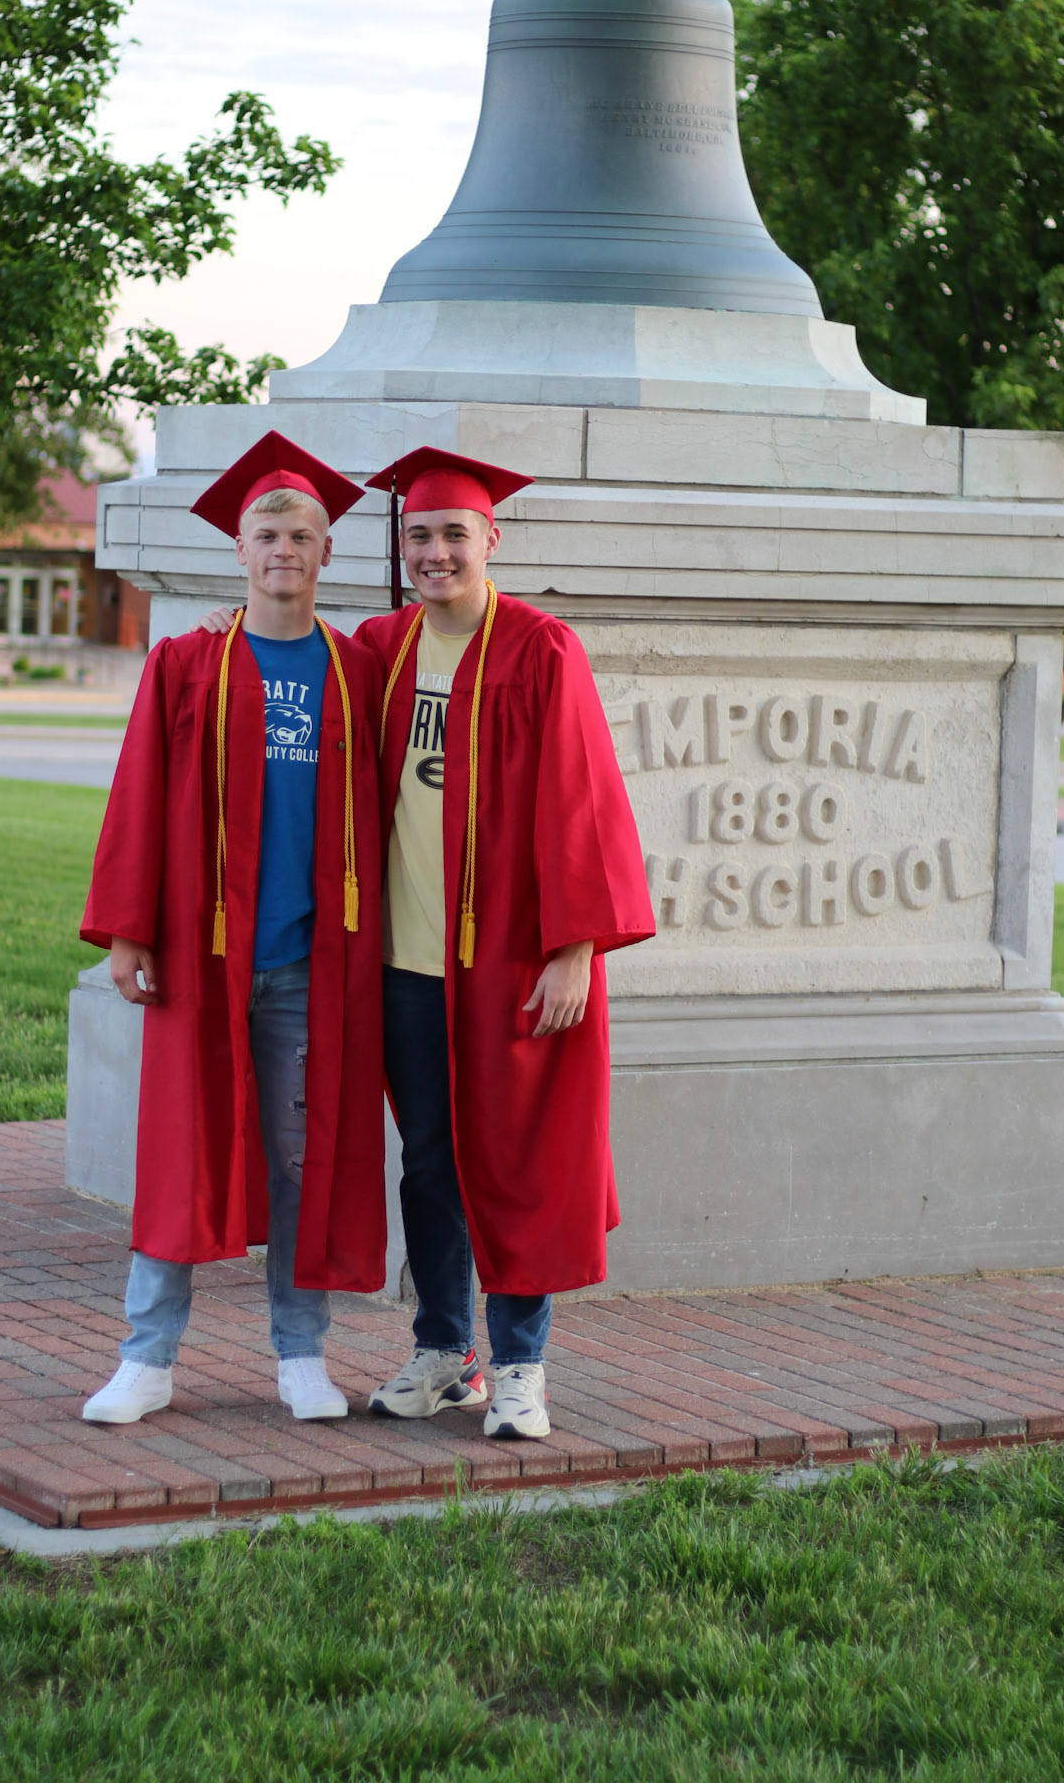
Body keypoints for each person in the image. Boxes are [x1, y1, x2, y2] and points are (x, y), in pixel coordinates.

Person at [79, 433, 386, 1426]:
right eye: (267, 534)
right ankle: (147, 1358)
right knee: (179, 1149)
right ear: (238, 548)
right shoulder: (188, 661)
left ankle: (301, 1354)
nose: (282, 549)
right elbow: (138, 799)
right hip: (202, 956)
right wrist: (128, 933)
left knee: (301, 1159)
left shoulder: (357, 670)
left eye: (301, 535)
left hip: (309, 962)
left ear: (326, 551)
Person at [359, 447, 654, 1440]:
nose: (435, 552)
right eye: (419, 535)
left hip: (513, 964)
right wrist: (226, 633)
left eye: (454, 533)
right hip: (406, 963)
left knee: (520, 1162)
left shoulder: (540, 648)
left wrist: (576, 949)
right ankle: (447, 1353)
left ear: (492, 539)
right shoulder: (382, 647)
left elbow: (583, 801)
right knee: (429, 1164)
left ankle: (522, 1365)